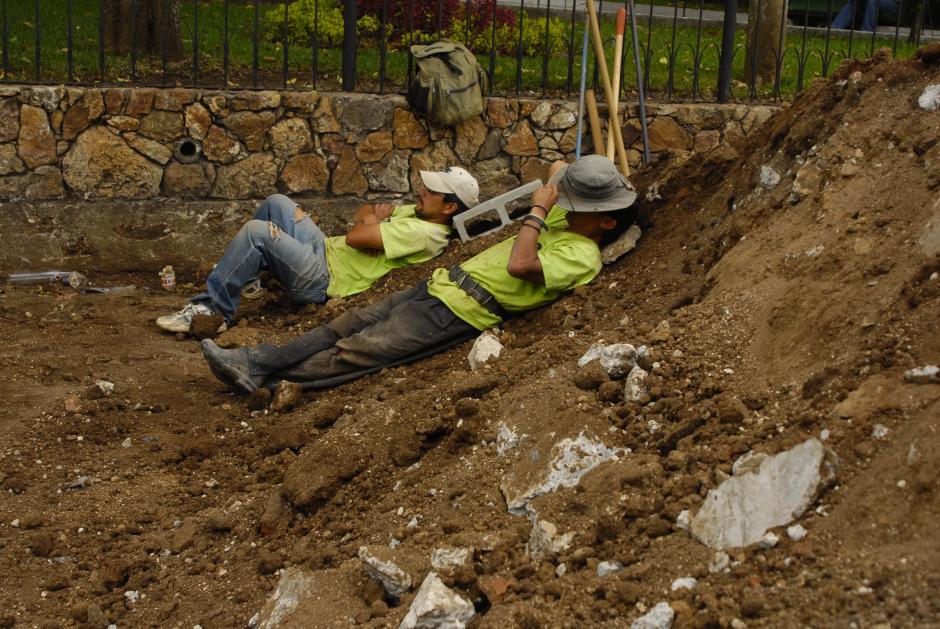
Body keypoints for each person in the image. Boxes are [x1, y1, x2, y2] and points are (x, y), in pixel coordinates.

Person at [200, 155, 638, 394]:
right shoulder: (570, 223)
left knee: (359, 350)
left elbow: (520, 265)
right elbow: (558, 168)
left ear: (605, 222)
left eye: (577, 206)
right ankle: (256, 360)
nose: (565, 207)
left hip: (461, 311)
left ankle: (270, 380)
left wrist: (540, 209)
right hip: (442, 285)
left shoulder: (583, 253)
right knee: (343, 325)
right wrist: (578, 178)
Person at [155, 166, 480, 334]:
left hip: (322, 277)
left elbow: (355, 236)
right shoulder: (420, 213)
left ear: (450, 206)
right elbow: (364, 215)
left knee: (258, 233)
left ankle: (212, 311)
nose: (421, 191)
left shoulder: (424, 233)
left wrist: (371, 224)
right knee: (277, 204)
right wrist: (371, 221)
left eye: (431, 191)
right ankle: (247, 275)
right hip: (324, 250)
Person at [831, 0, 897, 32]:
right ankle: (834, 29)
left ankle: (866, 31)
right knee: (853, 1)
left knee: (872, 0)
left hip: (893, 3)